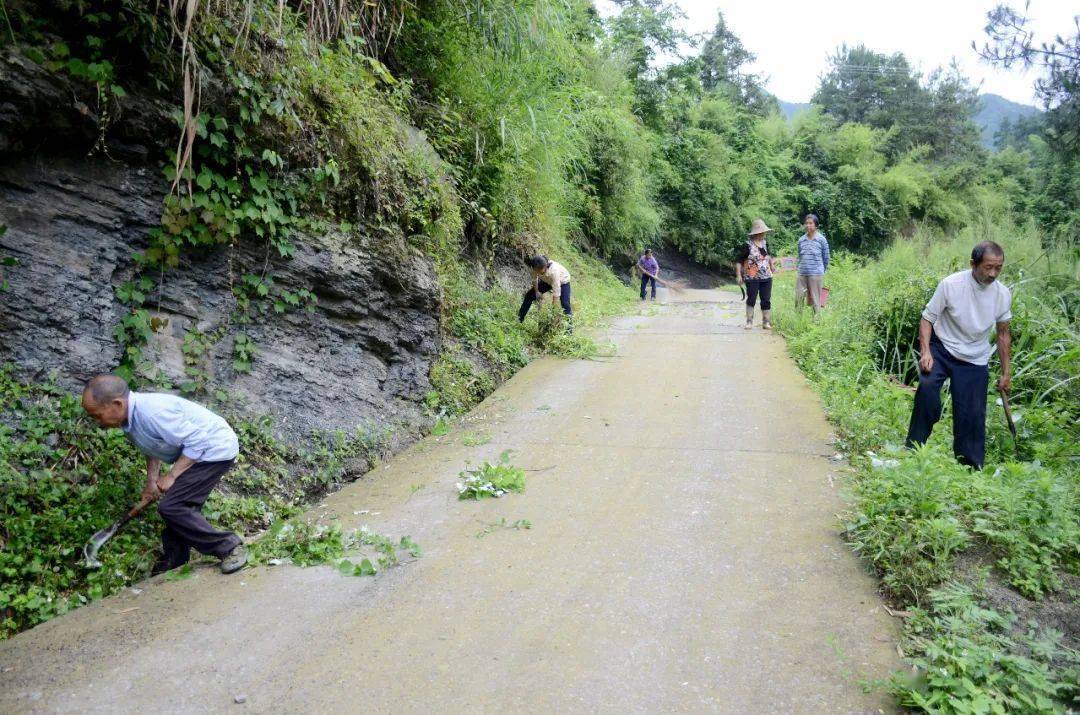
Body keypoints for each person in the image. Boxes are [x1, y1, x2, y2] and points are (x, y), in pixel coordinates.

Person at [81, 375, 248, 575]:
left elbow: (198, 441)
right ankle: (176, 559)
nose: (98, 422)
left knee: (173, 506)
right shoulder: (128, 420)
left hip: (214, 449)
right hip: (196, 452)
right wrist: (151, 482)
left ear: (117, 403)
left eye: (97, 415)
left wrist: (171, 476)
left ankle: (230, 547)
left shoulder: (153, 413)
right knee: (179, 506)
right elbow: (152, 448)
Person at [905, 241, 1012, 469]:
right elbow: (928, 319)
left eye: (998, 268)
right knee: (927, 392)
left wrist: (1006, 372)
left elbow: (1003, 334)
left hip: (975, 358)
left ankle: (970, 469)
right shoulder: (951, 285)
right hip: (942, 348)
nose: (993, 273)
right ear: (973, 264)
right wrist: (925, 352)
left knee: (972, 416)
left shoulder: (1002, 294)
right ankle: (913, 451)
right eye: (988, 267)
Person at [734, 219, 777, 330]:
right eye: (762, 232)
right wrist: (738, 275)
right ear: (757, 233)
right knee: (751, 299)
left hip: (767, 277)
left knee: (766, 299)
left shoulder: (765, 243)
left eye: (764, 232)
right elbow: (739, 261)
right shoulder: (747, 245)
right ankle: (749, 322)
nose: (763, 234)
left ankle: (766, 322)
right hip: (752, 277)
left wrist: (772, 266)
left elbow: (769, 256)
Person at [518, 255, 572, 327]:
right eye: (536, 270)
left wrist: (552, 310)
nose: (537, 272)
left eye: (539, 271)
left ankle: (568, 331)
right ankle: (519, 320)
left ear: (545, 266)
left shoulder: (554, 272)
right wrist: (536, 291)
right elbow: (535, 279)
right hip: (547, 281)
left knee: (565, 304)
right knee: (529, 296)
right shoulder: (535, 267)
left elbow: (556, 293)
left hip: (563, 281)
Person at [795, 214, 830, 313]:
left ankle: (816, 322)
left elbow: (826, 257)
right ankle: (798, 320)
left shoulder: (821, 239)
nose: (808, 225)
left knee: (815, 299)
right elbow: (800, 256)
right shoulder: (801, 240)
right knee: (799, 297)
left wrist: (821, 270)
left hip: (816, 274)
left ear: (816, 225)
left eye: (811, 223)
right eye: (806, 223)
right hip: (802, 273)